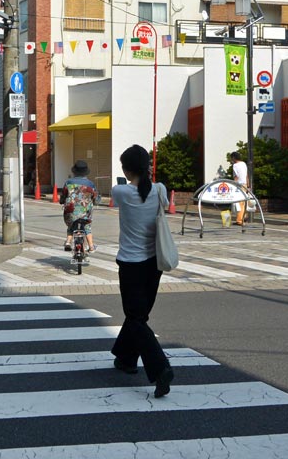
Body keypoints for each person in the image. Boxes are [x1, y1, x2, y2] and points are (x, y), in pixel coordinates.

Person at [110, 145, 174, 398]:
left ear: (126, 169)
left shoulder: (121, 191)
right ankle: (125, 358)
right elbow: (163, 200)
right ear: (147, 166)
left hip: (130, 264)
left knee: (136, 317)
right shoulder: (159, 190)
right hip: (154, 264)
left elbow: (121, 195)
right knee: (139, 315)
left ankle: (160, 369)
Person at [61, 160, 98, 252]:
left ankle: (68, 242)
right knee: (87, 227)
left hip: (70, 211)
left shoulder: (68, 183)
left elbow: (63, 196)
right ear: (85, 172)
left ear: (74, 171)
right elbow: (96, 198)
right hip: (85, 212)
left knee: (71, 225)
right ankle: (91, 246)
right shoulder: (90, 184)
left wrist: (62, 201)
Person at [230, 151, 250, 226]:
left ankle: (239, 220)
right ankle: (244, 217)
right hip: (244, 184)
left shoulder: (235, 165)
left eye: (231, 158)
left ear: (234, 158)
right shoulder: (243, 163)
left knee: (239, 203)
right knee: (244, 202)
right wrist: (248, 185)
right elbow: (246, 175)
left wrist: (233, 185)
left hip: (238, 185)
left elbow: (236, 176)